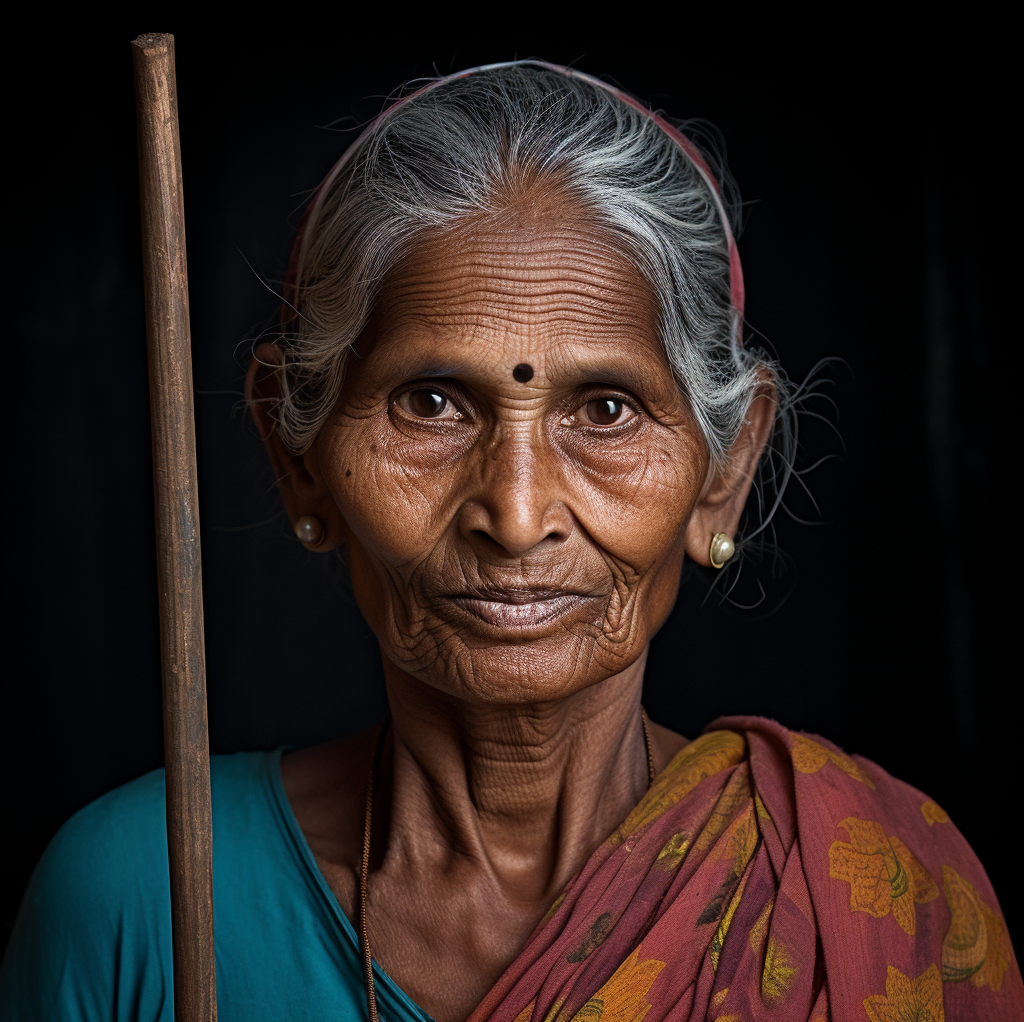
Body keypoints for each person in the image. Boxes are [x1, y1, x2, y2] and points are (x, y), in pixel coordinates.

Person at [2, 60, 1020, 1021]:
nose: (518, 513)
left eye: (608, 410)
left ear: (726, 469)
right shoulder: (142, 896)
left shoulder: (875, 888)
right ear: (295, 454)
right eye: (433, 402)